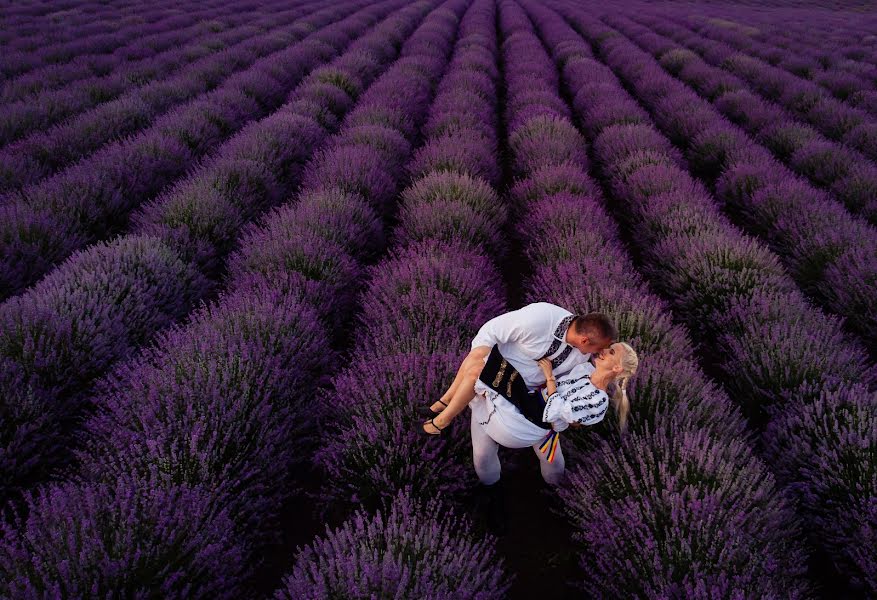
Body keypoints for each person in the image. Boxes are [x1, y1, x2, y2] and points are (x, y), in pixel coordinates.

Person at [420, 302, 616, 435]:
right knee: (477, 363)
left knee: (477, 370)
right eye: (598, 348)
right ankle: (443, 407)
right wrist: (479, 353)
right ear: (584, 339)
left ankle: (442, 415)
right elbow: (492, 330)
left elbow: (580, 387)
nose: (598, 353)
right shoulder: (540, 317)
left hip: (523, 390)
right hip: (504, 364)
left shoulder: (581, 357)